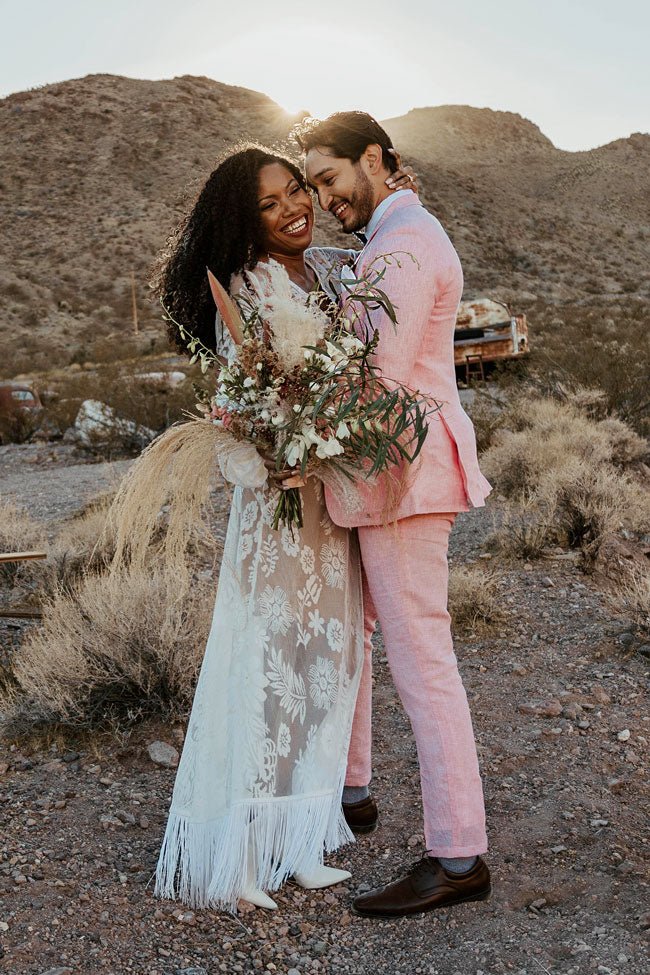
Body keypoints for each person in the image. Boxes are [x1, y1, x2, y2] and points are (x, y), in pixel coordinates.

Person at [151, 144, 416, 912]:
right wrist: (277, 442)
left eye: (296, 188)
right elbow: (245, 398)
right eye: (270, 203)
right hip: (277, 505)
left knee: (324, 668)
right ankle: (232, 856)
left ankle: (296, 842)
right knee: (263, 670)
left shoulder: (333, 269)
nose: (293, 206)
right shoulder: (246, 284)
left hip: (330, 502)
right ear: (247, 219)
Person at [296, 111, 493, 918]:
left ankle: (458, 853)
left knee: (423, 656)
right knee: (367, 634)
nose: (324, 197)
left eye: (331, 178)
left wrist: (297, 421)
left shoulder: (406, 246)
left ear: (373, 159)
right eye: (313, 185)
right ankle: (352, 792)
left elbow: (375, 377)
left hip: (405, 475)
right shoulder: (388, 240)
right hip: (387, 475)